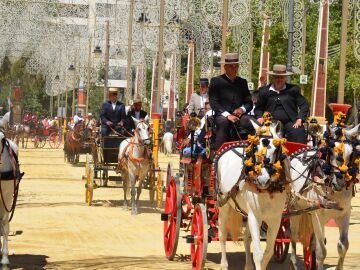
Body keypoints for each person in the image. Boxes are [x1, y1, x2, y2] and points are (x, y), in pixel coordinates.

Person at [209, 52, 255, 150]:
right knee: (224, 123)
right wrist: (227, 115)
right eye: (231, 67)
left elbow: (249, 103)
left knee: (252, 123)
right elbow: (214, 102)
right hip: (222, 115)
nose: (234, 69)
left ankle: (257, 153)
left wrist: (242, 109)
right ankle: (218, 155)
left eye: (236, 66)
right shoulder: (216, 81)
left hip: (239, 116)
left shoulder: (242, 82)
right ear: (225, 67)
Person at [254, 64, 309, 143]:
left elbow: (304, 105)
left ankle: (298, 155)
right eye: (276, 77)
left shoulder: (293, 90)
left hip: (290, 122)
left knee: (298, 132)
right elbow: (258, 109)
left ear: (285, 78)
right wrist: (259, 117)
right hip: (269, 123)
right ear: (273, 77)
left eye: (281, 77)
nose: (279, 79)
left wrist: (300, 119)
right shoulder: (264, 91)